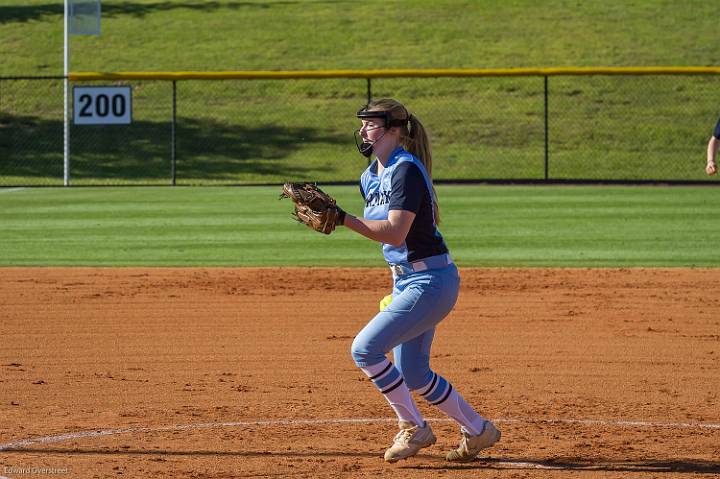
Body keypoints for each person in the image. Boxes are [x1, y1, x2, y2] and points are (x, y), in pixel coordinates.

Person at [337, 98, 501, 463]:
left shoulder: (405, 170)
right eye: (362, 124)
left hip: (430, 282)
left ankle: (414, 428)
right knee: (413, 373)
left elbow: (395, 233)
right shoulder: (369, 176)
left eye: (371, 123)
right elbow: (395, 245)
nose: (363, 130)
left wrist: (341, 219)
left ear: (394, 130)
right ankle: (478, 430)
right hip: (408, 282)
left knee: (364, 349)